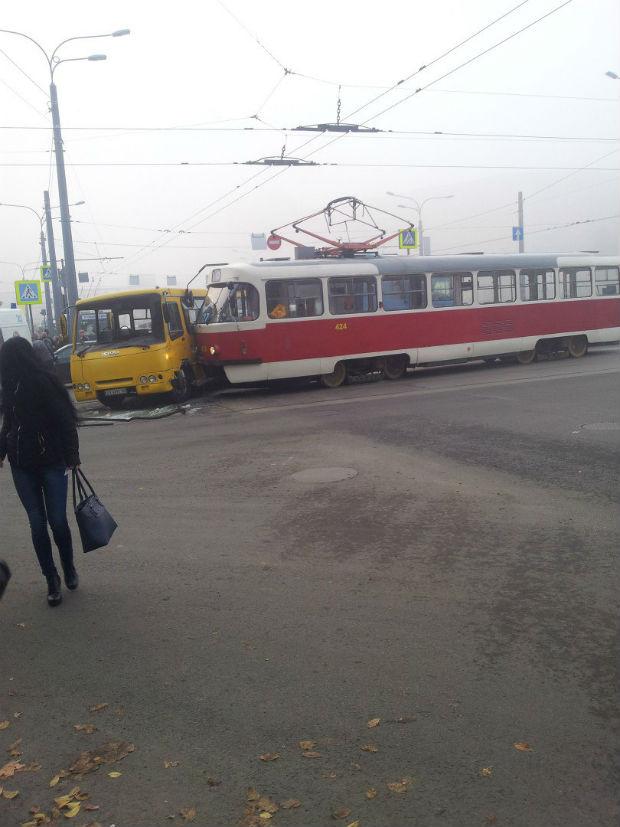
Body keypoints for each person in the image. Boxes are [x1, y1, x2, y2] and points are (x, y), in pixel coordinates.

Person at [0, 336, 81, 607]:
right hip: (22, 465)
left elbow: (67, 421)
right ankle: (51, 578)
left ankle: (68, 567)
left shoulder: (44, 383)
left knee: (57, 521)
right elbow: (8, 426)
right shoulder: (9, 388)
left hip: (52, 462)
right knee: (37, 524)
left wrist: (73, 457)